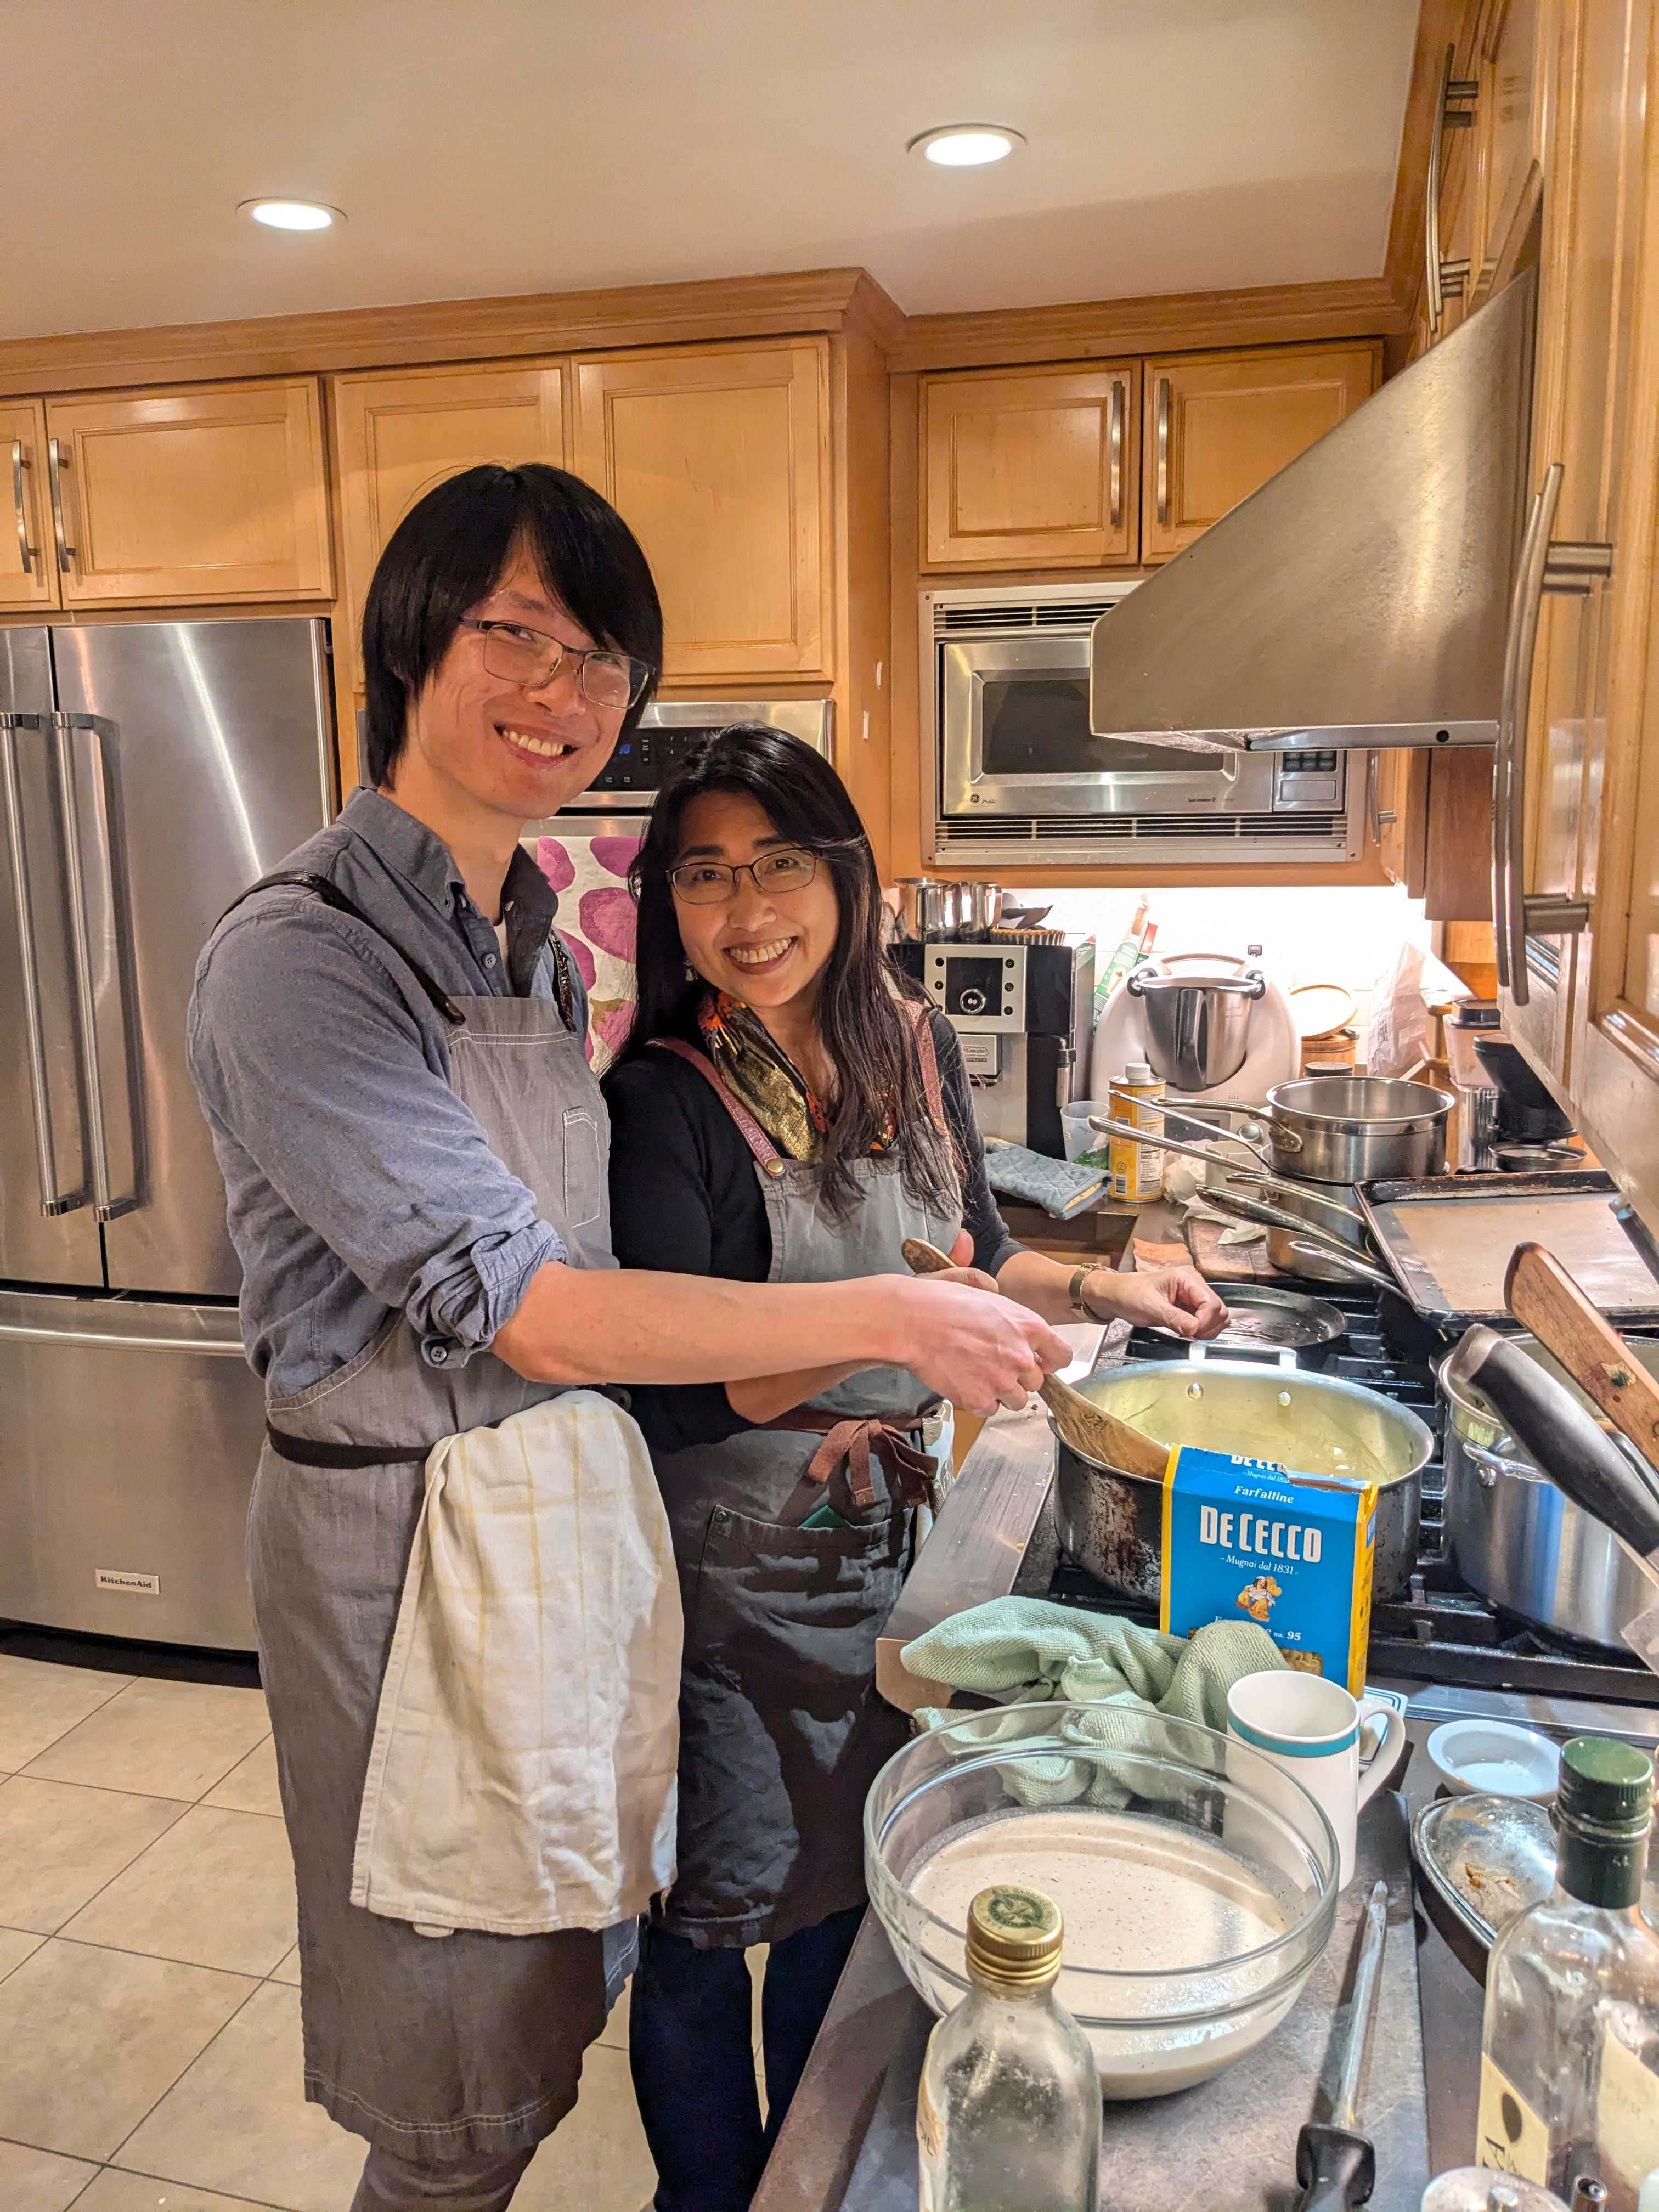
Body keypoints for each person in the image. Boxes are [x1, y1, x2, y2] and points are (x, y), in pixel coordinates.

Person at [185, 465, 1070, 2212]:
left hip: (549, 1523)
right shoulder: (301, 959)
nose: (559, 690)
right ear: (409, 645)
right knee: (453, 2087)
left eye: (600, 658)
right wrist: (893, 1312)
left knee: (545, 2006)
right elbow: (533, 1306)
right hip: (402, 1556)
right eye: (513, 634)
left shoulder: (521, 937)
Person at [603, 725, 1227, 2212]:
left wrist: (1104, 1289)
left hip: (886, 1546)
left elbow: (975, 1256)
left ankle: (812, 2178)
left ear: (845, 873)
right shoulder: (665, 1100)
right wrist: (891, 1325)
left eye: (779, 865)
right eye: (705, 874)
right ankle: (714, 2195)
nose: (748, 910)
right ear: (668, 901)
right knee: (714, 1914)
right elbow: (684, 1381)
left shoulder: (912, 1042)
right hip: (732, 1578)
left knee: (848, 1892)